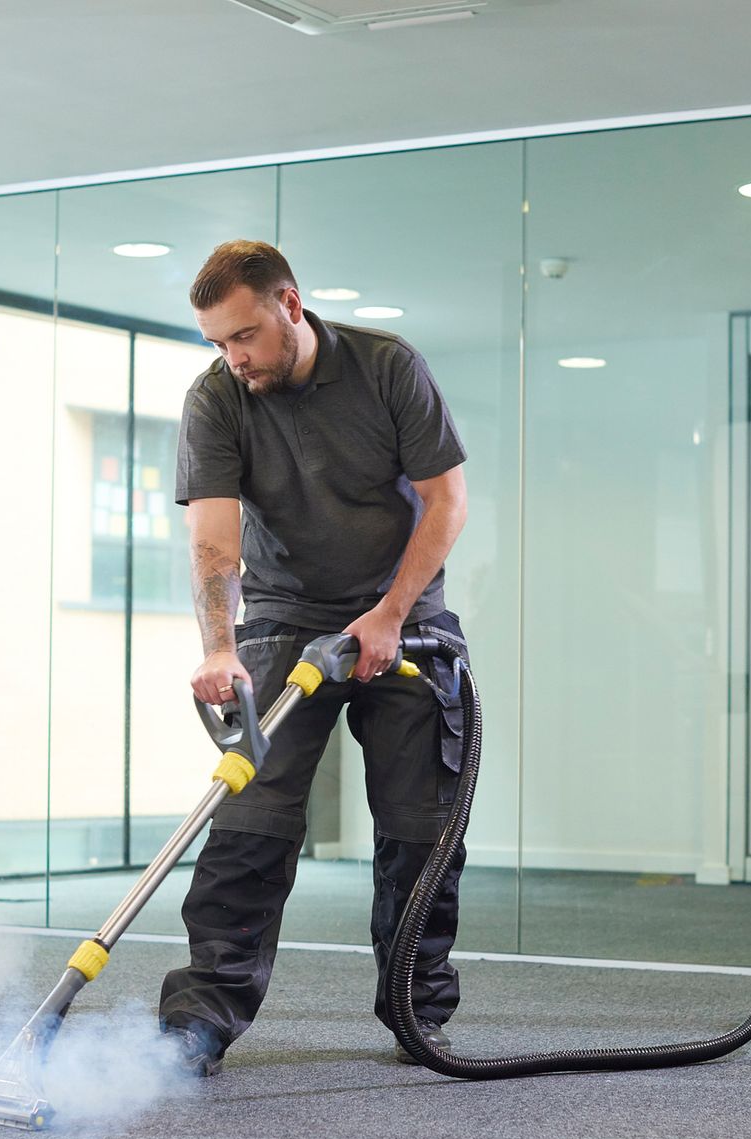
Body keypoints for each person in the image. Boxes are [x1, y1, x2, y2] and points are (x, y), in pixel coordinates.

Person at [157, 240, 471, 1075]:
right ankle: (200, 1019)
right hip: (286, 617)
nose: (235, 357)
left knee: (421, 829)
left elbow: (446, 500)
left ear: (290, 305)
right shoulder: (217, 396)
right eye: (218, 342)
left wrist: (389, 614)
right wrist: (219, 648)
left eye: (245, 335)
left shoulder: (387, 367)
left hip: (404, 619)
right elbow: (214, 537)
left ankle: (416, 1009)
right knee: (248, 824)